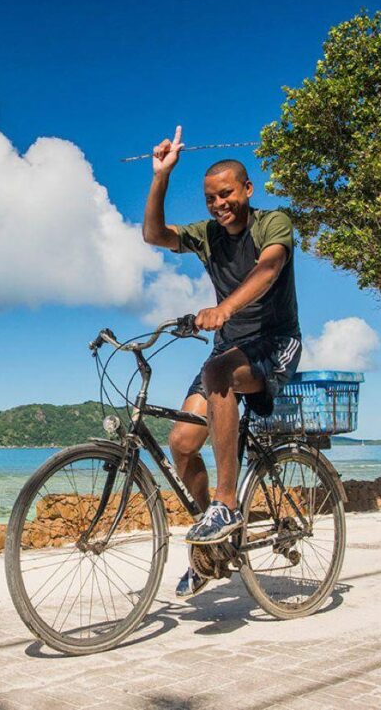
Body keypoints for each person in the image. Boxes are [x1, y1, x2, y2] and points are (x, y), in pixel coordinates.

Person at [142, 127, 301, 600]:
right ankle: (215, 547)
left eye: (227, 194)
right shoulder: (208, 235)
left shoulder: (273, 222)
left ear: (247, 190)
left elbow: (269, 267)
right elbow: (154, 234)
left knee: (217, 374)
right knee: (182, 442)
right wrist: (161, 177)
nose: (219, 204)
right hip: (228, 351)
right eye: (211, 198)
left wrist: (225, 308)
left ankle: (228, 504)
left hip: (275, 344)